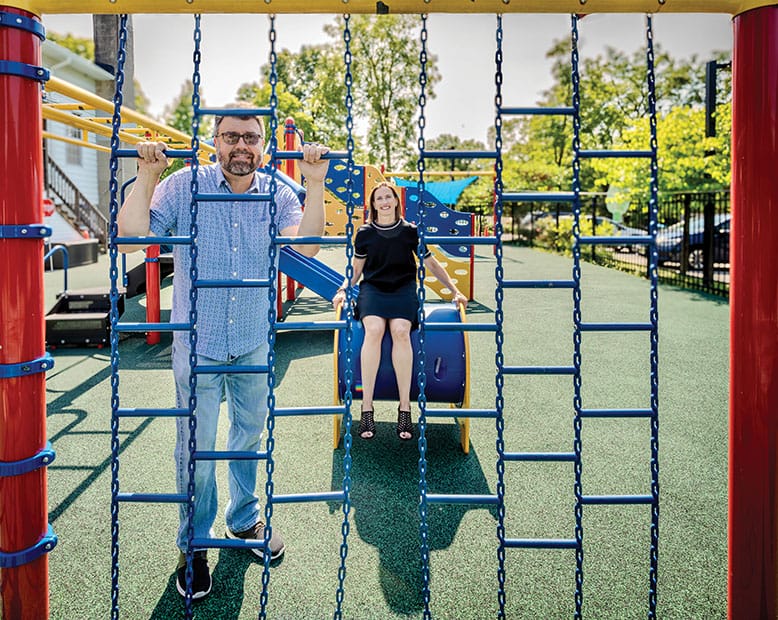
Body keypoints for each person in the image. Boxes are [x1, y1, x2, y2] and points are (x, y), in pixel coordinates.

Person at [117, 107, 330, 600]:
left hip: (253, 339)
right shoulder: (185, 185)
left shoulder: (276, 191)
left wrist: (314, 184)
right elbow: (130, 241)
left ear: (263, 145)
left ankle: (243, 520)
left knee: (248, 435)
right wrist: (147, 177)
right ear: (215, 140)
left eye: (250, 138)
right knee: (196, 447)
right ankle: (195, 543)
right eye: (231, 136)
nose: (241, 146)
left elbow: (310, 248)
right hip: (200, 343)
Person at [332, 182, 468, 441]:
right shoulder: (364, 233)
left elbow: (430, 262)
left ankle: (405, 408)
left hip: (403, 289)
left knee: (401, 330)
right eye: (378, 198)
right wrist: (342, 289)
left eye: (387, 197)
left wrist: (453, 289)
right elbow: (357, 269)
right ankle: (367, 407)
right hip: (373, 289)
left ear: (396, 201)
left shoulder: (410, 232)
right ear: (373, 205)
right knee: (373, 330)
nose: (383, 202)